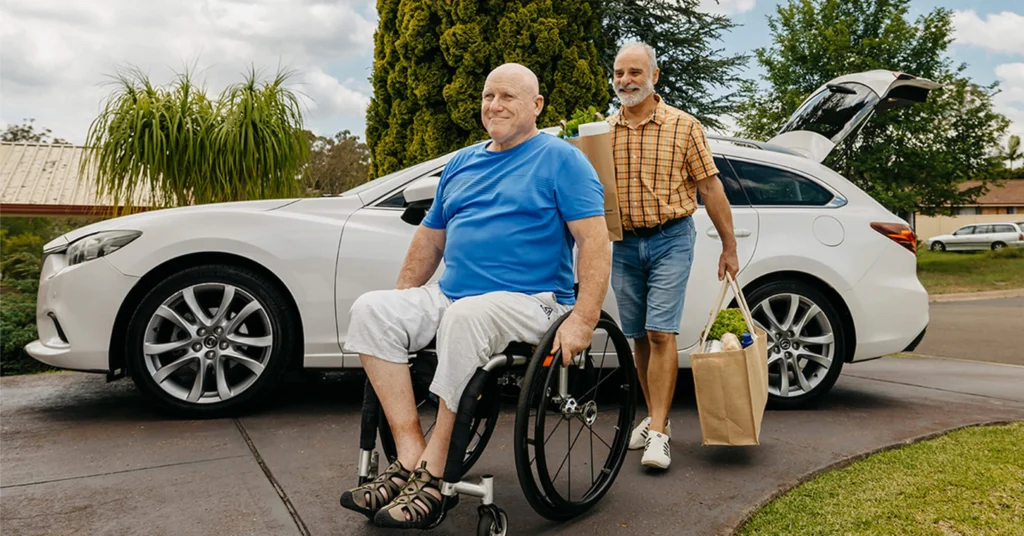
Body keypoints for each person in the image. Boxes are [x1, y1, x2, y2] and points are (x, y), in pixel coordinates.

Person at [338, 63, 612, 529]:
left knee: (467, 316)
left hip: (533, 301)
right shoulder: (462, 163)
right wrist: (405, 302)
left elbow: (595, 242)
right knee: (371, 309)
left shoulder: (562, 160)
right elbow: (429, 240)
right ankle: (409, 457)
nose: (495, 105)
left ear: (536, 106)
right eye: (489, 96)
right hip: (454, 296)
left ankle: (435, 472)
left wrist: (583, 319)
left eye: (508, 96)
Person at [608, 42, 738, 470]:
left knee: (661, 332)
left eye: (634, 72)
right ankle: (652, 416)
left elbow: (710, 188)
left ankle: (660, 432)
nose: (626, 80)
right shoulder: (603, 132)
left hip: (671, 239)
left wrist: (729, 246)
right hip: (624, 243)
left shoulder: (684, 127)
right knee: (639, 336)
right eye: (619, 72)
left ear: (654, 76)